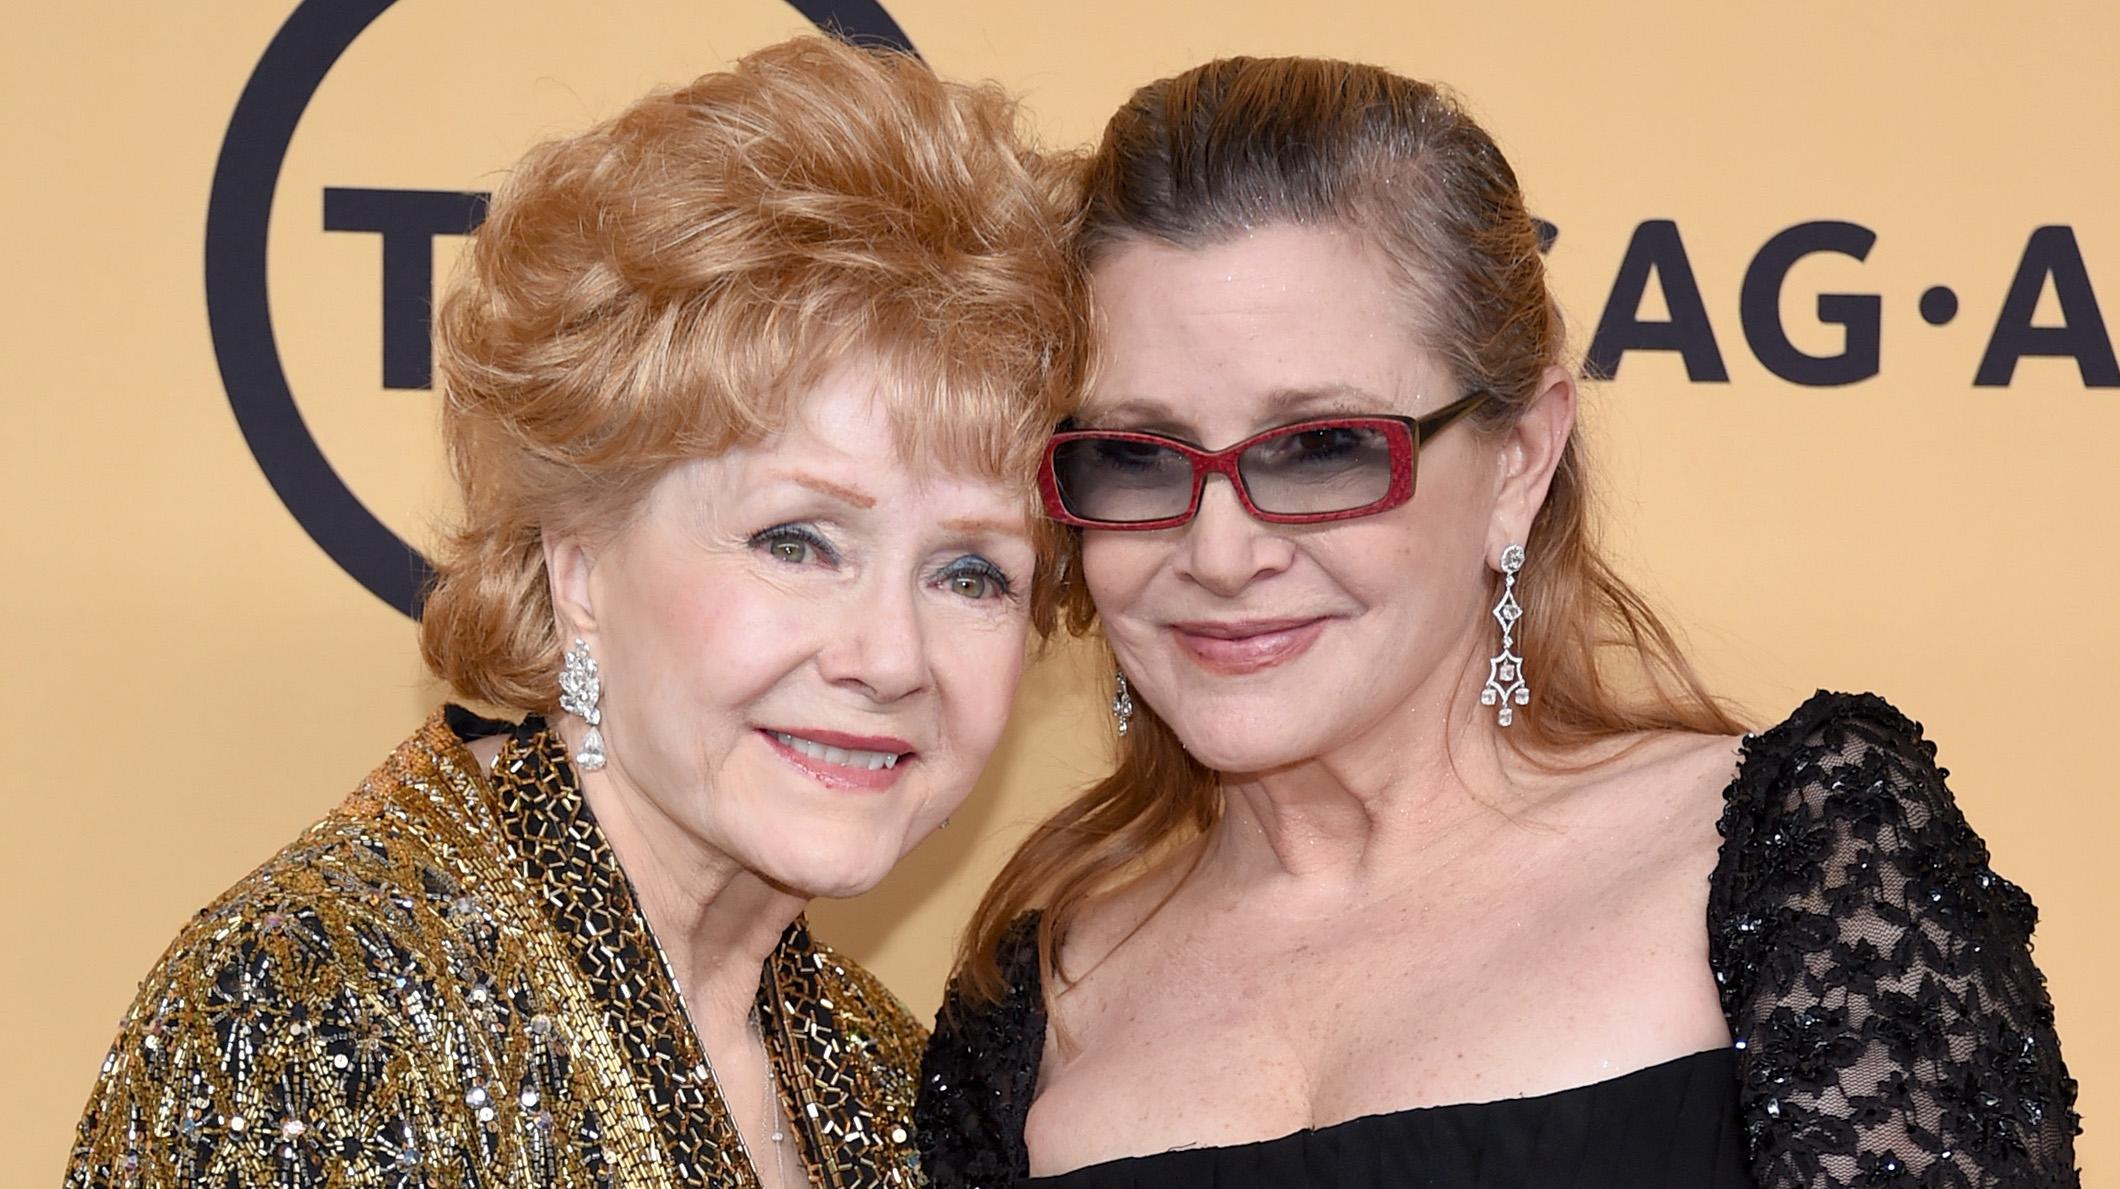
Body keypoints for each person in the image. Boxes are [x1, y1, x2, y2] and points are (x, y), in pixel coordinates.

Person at [918, 55, 2079, 1188]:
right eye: (1134, 456)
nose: (1218, 552)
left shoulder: (1793, 860)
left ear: (1519, 459)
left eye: (1321, 448)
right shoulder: (1029, 1008)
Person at [67, 35, 1086, 1189]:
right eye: (796, 542)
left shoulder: (883, 1072)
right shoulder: (313, 1018)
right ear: (580, 564)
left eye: (971, 574)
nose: (891, 656)